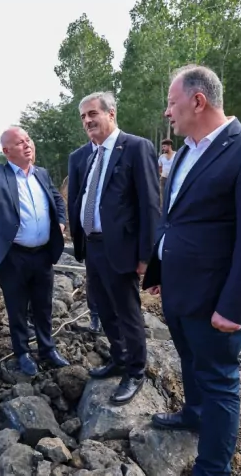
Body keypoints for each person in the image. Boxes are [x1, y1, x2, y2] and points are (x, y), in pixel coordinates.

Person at [142, 64, 241, 475]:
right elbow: (177, 220)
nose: (168, 112)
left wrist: (234, 307)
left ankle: (212, 467)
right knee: (189, 361)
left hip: (216, 298)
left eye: (172, 103)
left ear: (197, 100)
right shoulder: (186, 150)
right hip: (179, 289)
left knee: (220, 381)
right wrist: (162, 271)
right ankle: (193, 413)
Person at [68, 91, 160, 405]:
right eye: (83, 117)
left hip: (122, 248)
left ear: (111, 113)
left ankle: (136, 370)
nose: (87, 121)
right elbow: (79, 199)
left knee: (127, 311)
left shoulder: (135, 148)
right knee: (104, 308)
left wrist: (147, 256)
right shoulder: (83, 156)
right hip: (93, 246)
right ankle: (119, 358)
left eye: (92, 113)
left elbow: (149, 204)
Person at [0, 126, 70, 376]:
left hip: (42, 254)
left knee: (43, 305)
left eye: (28, 139)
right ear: (7, 151)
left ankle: (47, 348)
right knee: (17, 307)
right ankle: (22, 353)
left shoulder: (41, 173)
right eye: (20, 143)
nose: (27, 144)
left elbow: (56, 200)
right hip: (13, 256)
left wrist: (61, 222)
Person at [66, 143, 103, 334]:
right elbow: (74, 197)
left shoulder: (128, 148)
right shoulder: (78, 156)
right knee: (94, 277)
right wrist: (76, 236)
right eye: (85, 117)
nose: (89, 121)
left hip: (119, 234)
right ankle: (95, 316)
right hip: (90, 234)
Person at [158, 139, 176, 205]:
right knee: (162, 197)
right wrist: (161, 174)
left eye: (164, 146)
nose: (163, 148)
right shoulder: (162, 157)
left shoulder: (176, 155)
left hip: (173, 178)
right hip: (163, 179)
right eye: (162, 147)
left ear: (169, 146)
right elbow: (159, 167)